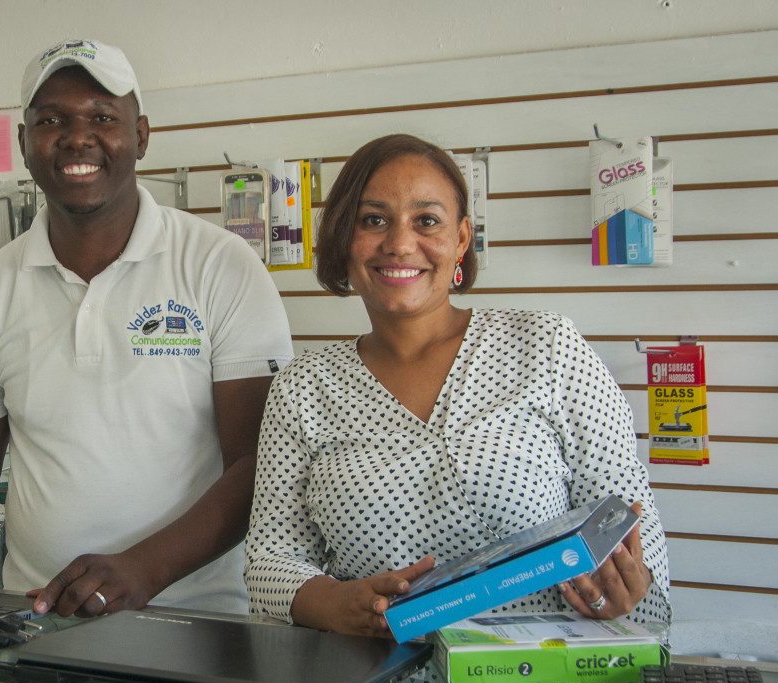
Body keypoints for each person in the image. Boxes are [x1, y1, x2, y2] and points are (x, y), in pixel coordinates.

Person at [0, 39, 294, 618]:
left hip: (198, 620)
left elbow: (259, 465)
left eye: (102, 117)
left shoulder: (221, 267)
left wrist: (146, 568)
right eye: (51, 120)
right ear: (23, 143)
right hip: (39, 617)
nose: (77, 137)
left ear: (140, 135)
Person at [244, 133, 669, 639]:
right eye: (374, 220)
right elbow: (269, 559)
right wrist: (338, 604)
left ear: (462, 239)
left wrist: (629, 588)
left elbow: (628, 515)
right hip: (370, 680)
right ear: (342, 237)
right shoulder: (303, 387)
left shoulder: (547, 346)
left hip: (540, 678)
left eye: (427, 220)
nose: (400, 243)